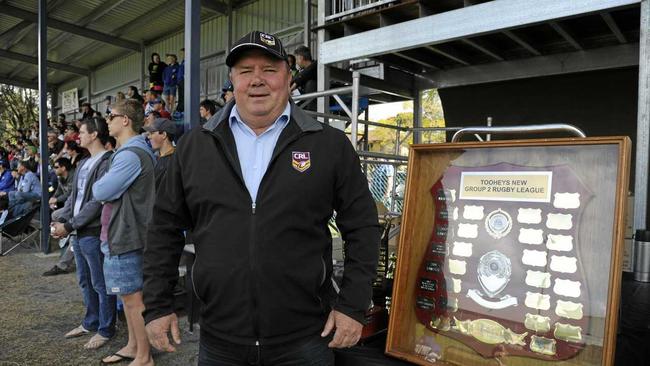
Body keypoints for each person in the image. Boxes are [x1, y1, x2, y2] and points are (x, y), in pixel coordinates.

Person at [142, 30, 380, 366]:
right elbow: (163, 228)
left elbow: (363, 227)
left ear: (288, 76)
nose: (257, 80)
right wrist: (157, 305)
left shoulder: (328, 145)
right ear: (232, 79)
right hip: (220, 343)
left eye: (269, 69)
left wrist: (354, 306)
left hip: (306, 341)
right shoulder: (195, 147)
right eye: (245, 71)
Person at [93, 99, 155, 366]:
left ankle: (144, 356)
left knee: (133, 300)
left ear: (125, 120)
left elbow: (100, 191)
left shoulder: (131, 155)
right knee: (128, 297)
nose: (107, 120)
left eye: (111, 115)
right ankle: (133, 346)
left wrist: (103, 186)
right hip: (122, 232)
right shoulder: (130, 151)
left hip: (126, 234)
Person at [51, 117, 117, 350]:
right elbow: (73, 199)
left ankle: (106, 328)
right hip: (78, 231)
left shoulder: (107, 162)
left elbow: (97, 203)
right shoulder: (83, 163)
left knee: (100, 282)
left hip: (92, 230)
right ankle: (91, 321)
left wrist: (69, 225)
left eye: (82, 132)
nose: (78, 136)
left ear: (95, 134)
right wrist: (60, 218)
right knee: (84, 280)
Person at [144, 118, 176, 190]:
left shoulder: (176, 160)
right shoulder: (156, 157)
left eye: (152, 133)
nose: (149, 137)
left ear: (164, 135)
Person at [291, 45, 318, 111]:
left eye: (296, 59)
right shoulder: (300, 72)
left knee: (310, 83)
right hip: (303, 103)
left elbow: (307, 72)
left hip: (318, 101)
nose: (296, 62)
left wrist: (294, 85)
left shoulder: (316, 66)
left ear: (301, 58)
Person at [176, 48, 185, 113]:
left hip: (184, 80)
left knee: (183, 95)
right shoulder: (182, 62)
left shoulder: (189, 60)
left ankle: (182, 108)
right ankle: (180, 108)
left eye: (183, 53)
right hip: (180, 81)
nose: (182, 55)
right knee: (180, 95)